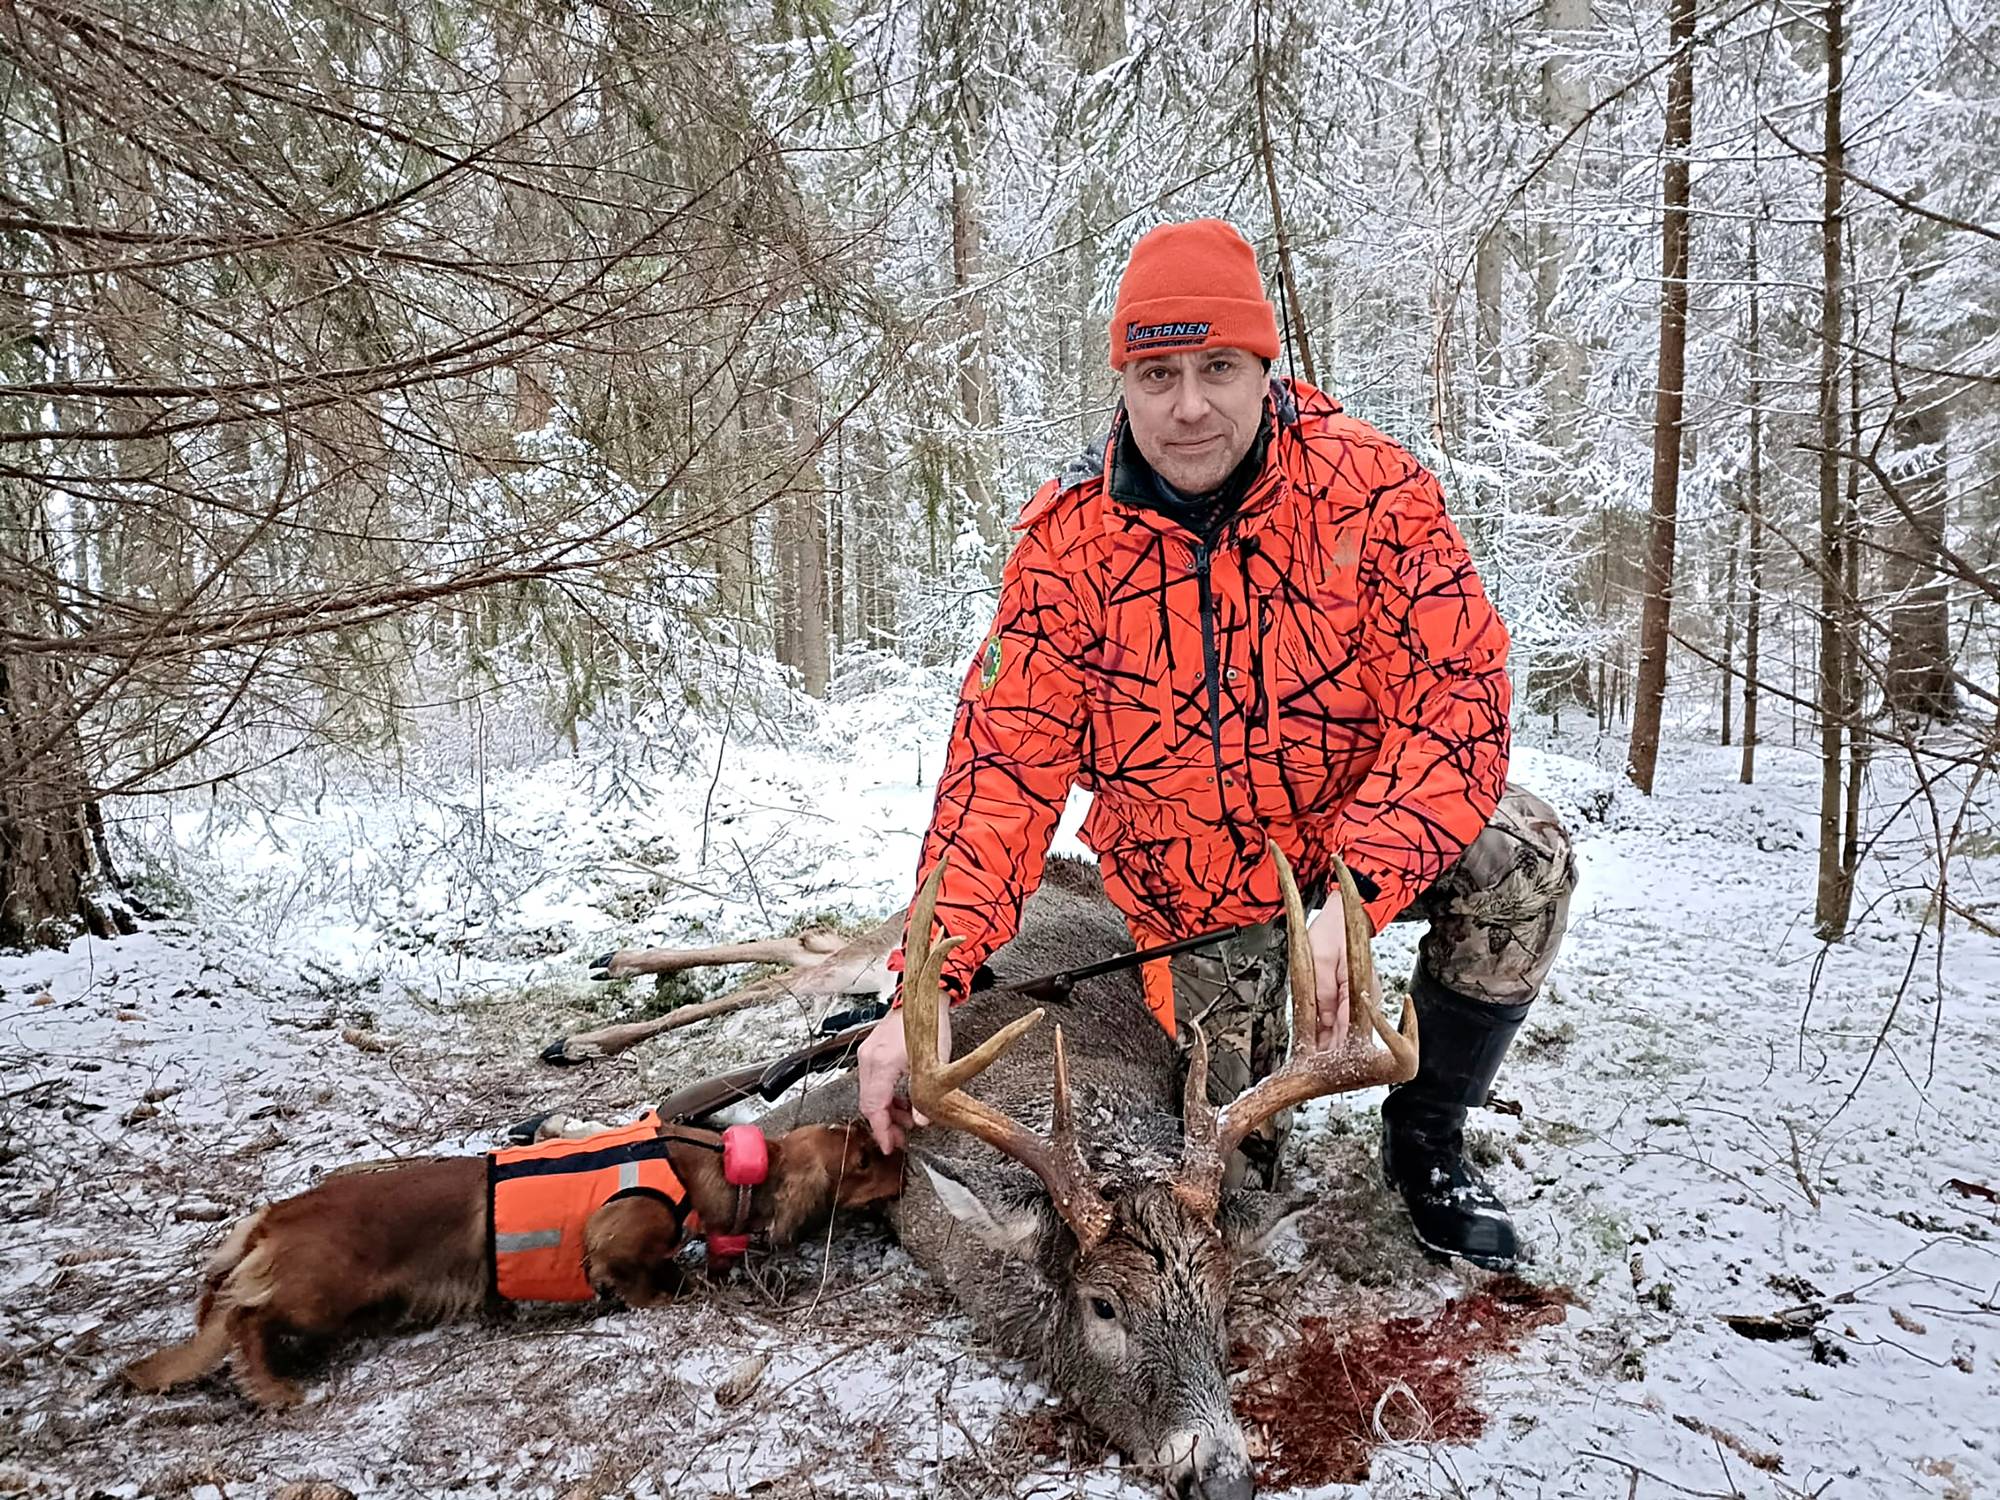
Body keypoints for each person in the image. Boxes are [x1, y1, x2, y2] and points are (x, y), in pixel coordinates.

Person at [857, 219, 1576, 1270]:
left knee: (1528, 857)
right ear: (1123, 381)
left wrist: (1354, 898)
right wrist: (918, 992)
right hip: (1188, 902)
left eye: (1216, 367)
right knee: (1221, 1198)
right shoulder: (1065, 547)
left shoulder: (1375, 495)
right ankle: (1247, 1060)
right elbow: (997, 780)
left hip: (1346, 844)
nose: (1188, 404)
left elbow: (1454, 705)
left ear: (1261, 368)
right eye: (1157, 373)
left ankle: (1428, 1141)